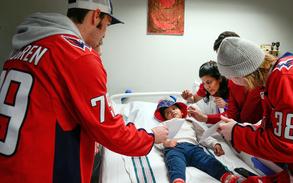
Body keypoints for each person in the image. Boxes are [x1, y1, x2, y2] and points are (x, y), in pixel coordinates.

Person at [0, 0, 168, 182]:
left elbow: (47, 106)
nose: (105, 34)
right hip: (43, 172)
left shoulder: (25, 47)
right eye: (107, 25)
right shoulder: (78, 56)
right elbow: (111, 132)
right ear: (97, 16)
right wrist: (151, 137)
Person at [216, 37, 293, 168]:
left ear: (241, 75)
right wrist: (242, 128)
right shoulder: (278, 73)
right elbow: (274, 125)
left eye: (230, 78)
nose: (232, 83)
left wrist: (236, 133)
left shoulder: (286, 81)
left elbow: (290, 147)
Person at [154, 98, 241, 183]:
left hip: (193, 148)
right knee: (175, 163)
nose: (172, 112)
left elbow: (203, 136)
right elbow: (156, 139)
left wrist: (215, 144)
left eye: (174, 108)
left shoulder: (190, 121)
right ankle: (178, 180)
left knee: (208, 160)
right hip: (174, 149)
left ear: (182, 112)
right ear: (165, 118)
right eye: (168, 112)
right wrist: (166, 143)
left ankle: (225, 176)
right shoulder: (164, 125)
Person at [188, 31, 263, 125]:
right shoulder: (230, 81)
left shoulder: (262, 79)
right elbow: (233, 114)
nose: (223, 62)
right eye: (220, 57)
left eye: (226, 55)